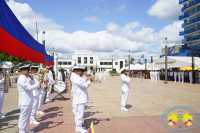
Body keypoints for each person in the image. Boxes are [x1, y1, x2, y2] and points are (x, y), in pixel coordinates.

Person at [17, 64, 43, 133]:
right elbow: (29, 88)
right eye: (27, 70)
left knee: (27, 116)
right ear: (23, 71)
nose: (29, 72)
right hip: (24, 101)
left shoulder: (26, 77)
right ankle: (21, 130)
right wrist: (38, 83)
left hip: (28, 100)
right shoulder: (22, 78)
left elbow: (32, 83)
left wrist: (32, 79)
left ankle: (25, 128)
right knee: (23, 116)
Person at [72, 66, 92, 133]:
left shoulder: (75, 76)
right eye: (82, 71)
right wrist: (89, 80)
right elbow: (85, 85)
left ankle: (79, 126)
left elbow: (82, 81)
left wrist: (86, 78)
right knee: (80, 114)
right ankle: (78, 128)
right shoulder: (77, 78)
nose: (83, 73)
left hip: (78, 98)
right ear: (78, 71)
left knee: (78, 113)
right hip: (79, 98)